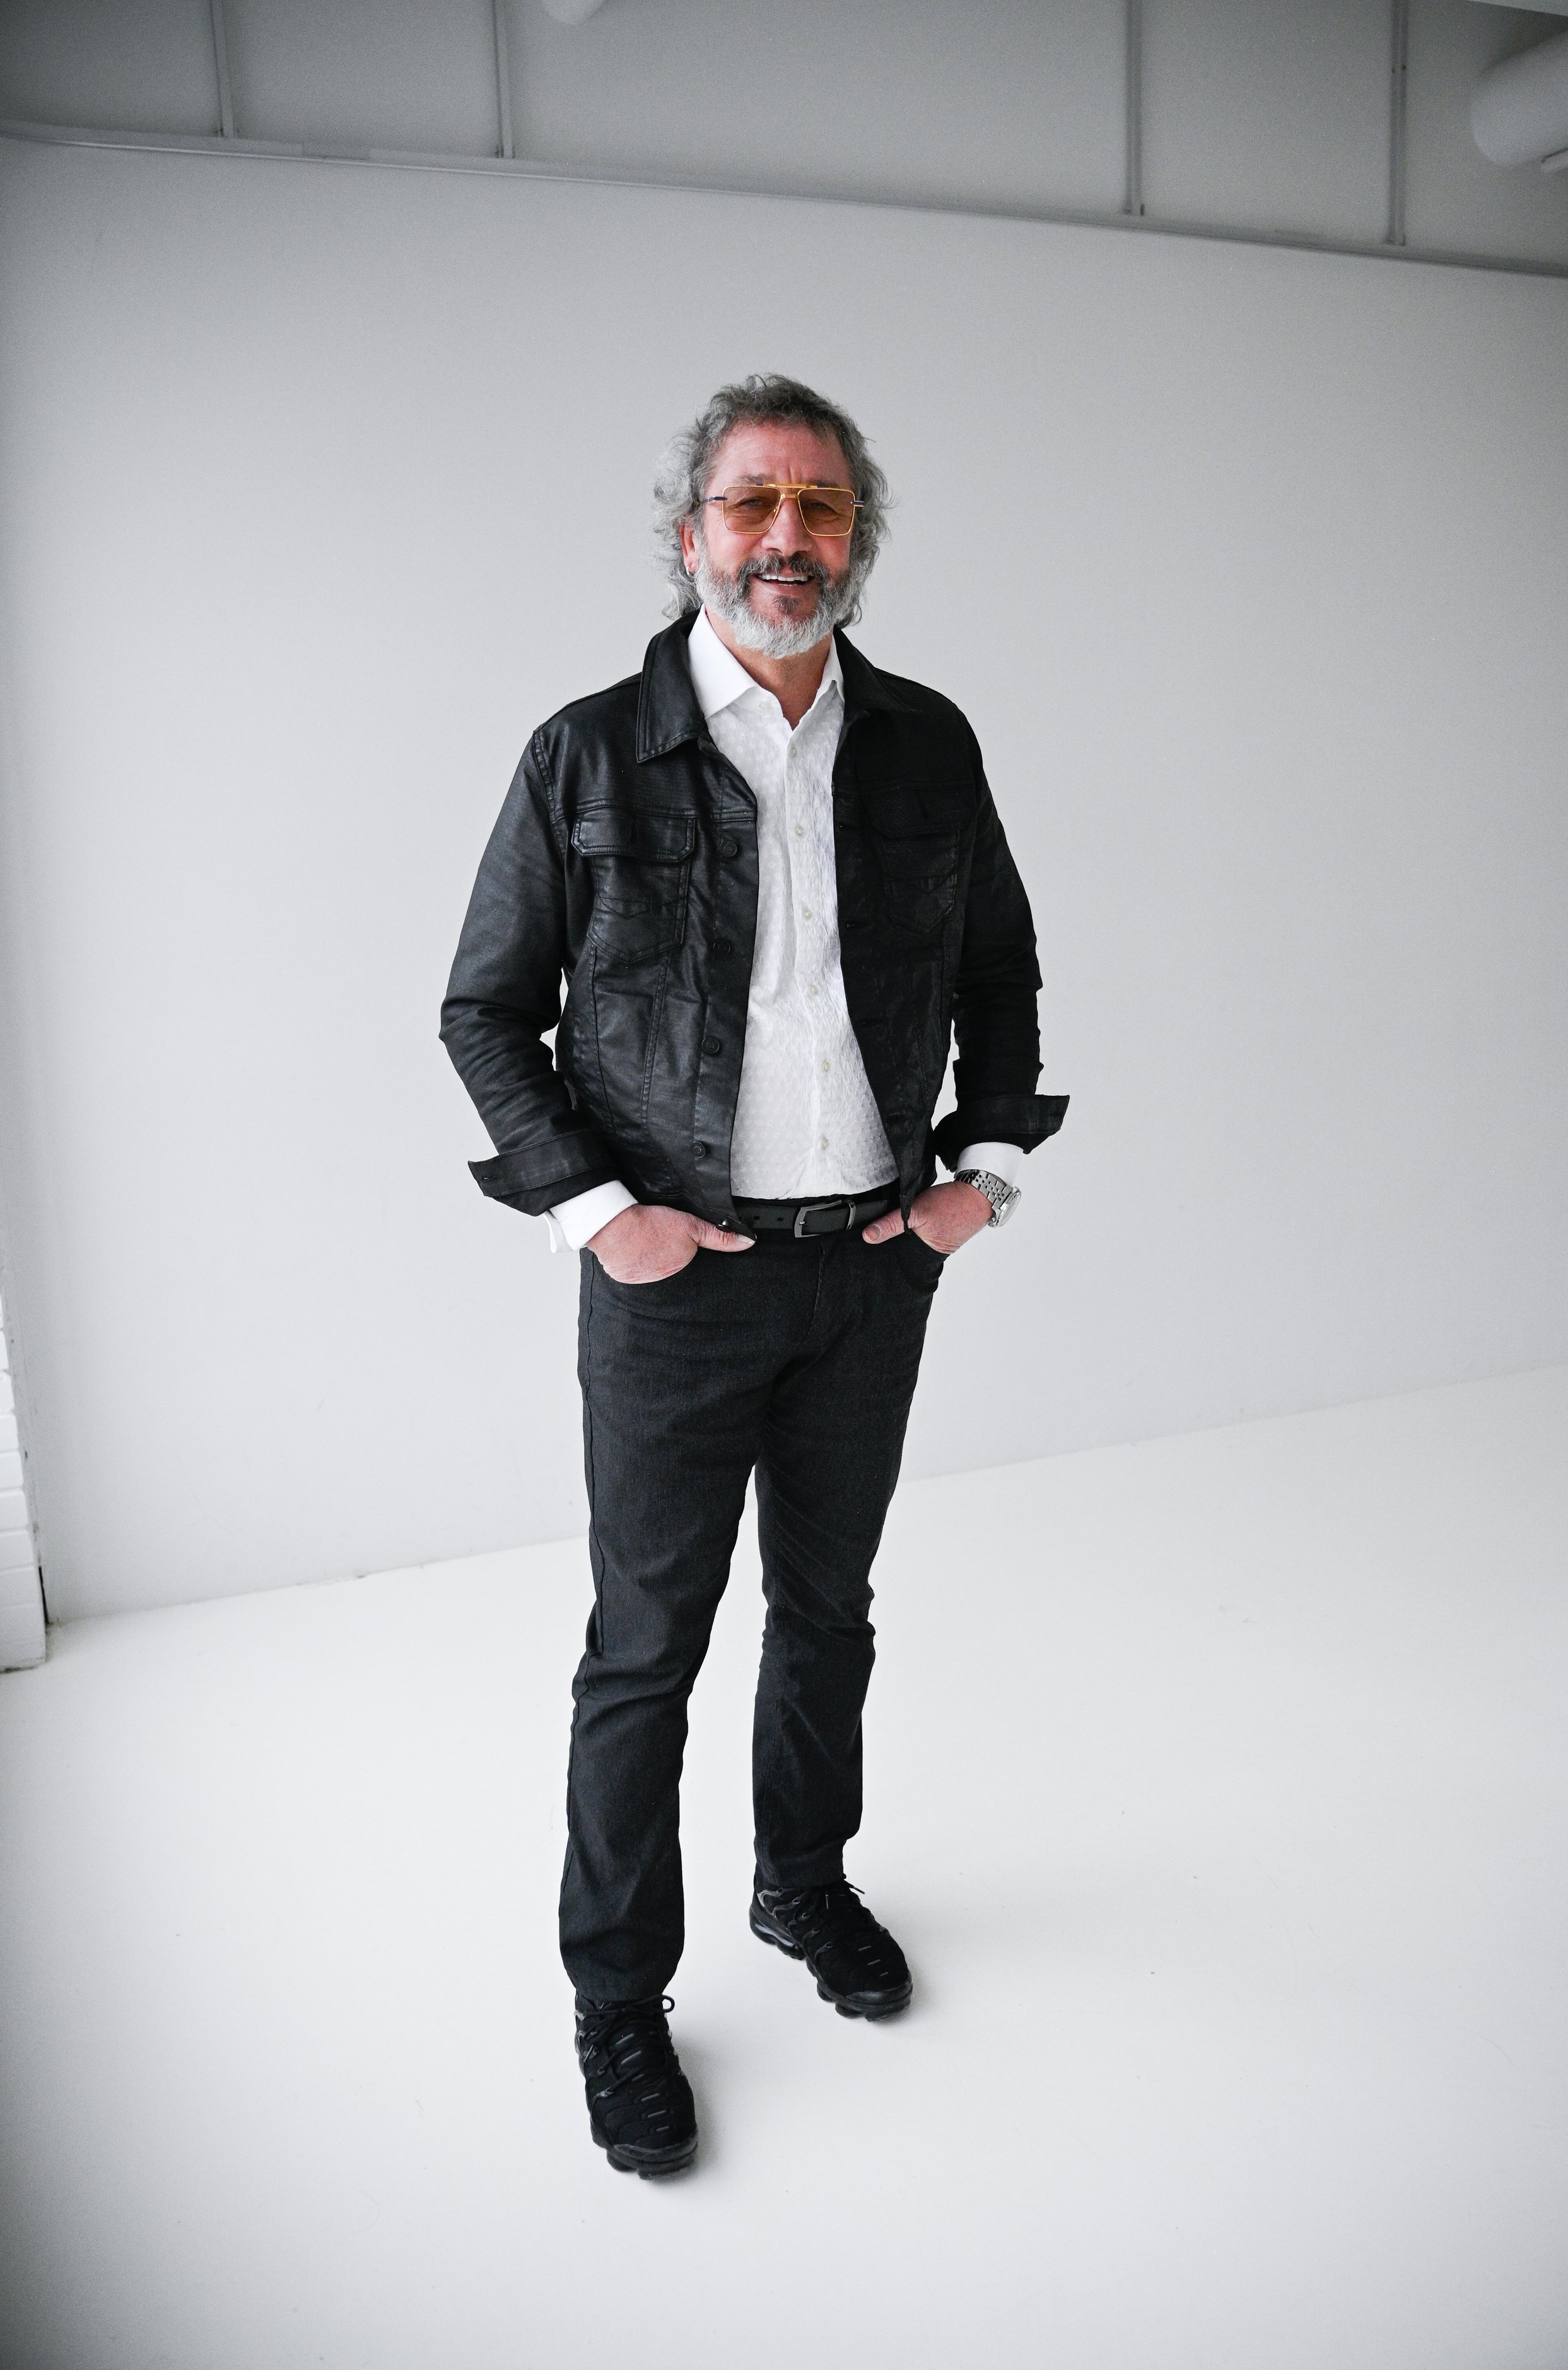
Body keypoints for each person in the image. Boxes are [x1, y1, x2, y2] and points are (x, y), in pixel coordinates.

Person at [441, 373, 1065, 2178]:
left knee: (830, 1612)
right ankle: (617, 2001)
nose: (784, 540)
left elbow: (1006, 968)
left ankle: (802, 1887)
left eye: (819, 510)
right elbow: (485, 1008)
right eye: (749, 507)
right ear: (690, 531)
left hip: (870, 1272)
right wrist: (592, 1213)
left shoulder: (927, 743)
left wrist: (982, 1178)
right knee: (645, 1651)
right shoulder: (586, 753)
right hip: (672, 1287)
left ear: (854, 540)